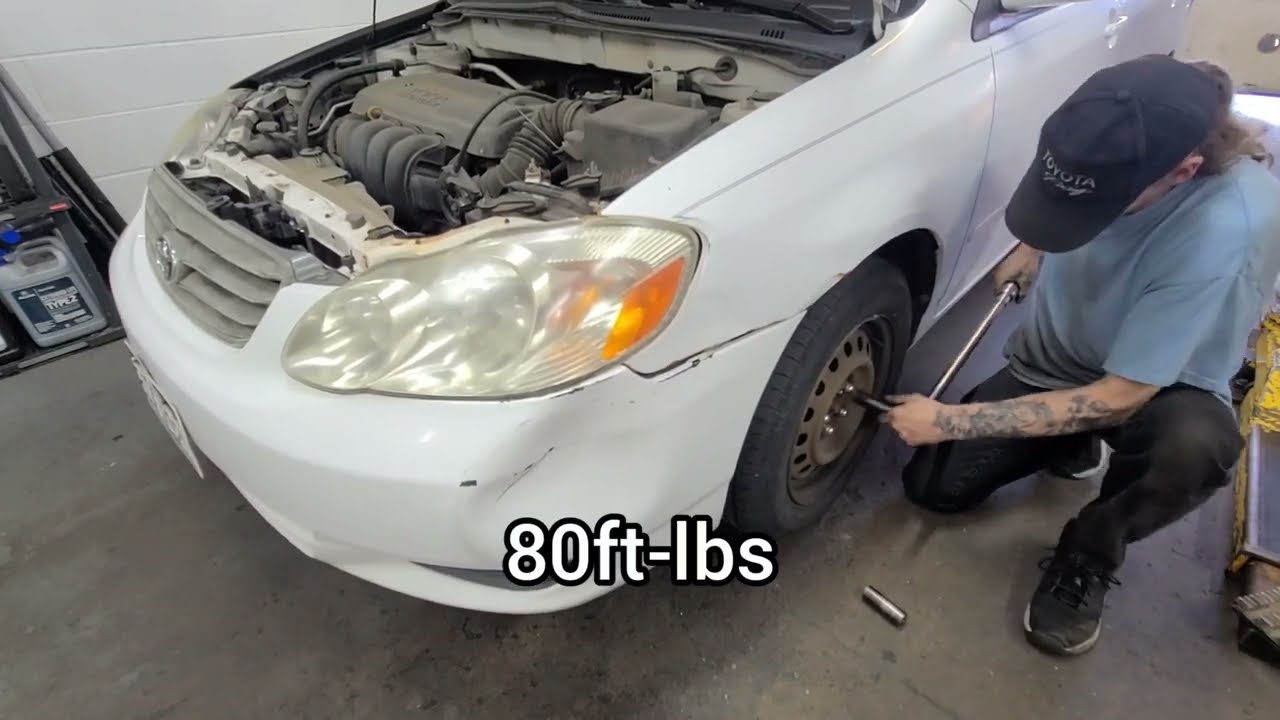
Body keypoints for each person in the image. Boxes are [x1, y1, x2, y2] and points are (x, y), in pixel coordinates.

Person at [882, 55, 1280, 657]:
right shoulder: (1100, 123)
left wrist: (948, 421)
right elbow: (1069, 182)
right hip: (1062, 357)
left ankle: (1089, 553)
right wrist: (1033, 241)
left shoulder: (1225, 229)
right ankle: (1071, 437)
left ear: (1183, 171)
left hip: (1162, 386)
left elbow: (1125, 394)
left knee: (1193, 450)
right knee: (934, 486)